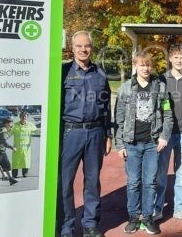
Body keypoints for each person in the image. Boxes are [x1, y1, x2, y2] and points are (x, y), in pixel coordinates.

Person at [58, 30, 113, 237]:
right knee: (65, 183)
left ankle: (90, 224)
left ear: (92, 48)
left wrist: (109, 135)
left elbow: (107, 105)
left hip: (96, 132)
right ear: (72, 48)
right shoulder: (62, 72)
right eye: (79, 46)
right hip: (71, 133)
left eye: (87, 45)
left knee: (92, 181)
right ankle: (67, 226)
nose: (83, 49)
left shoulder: (100, 74)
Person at [114, 51, 172, 235]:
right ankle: (133, 217)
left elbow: (168, 114)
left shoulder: (160, 87)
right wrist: (120, 144)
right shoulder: (125, 88)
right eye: (141, 65)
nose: (145, 68)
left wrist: (164, 136)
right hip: (131, 143)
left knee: (150, 182)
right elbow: (119, 117)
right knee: (133, 183)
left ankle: (147, 217)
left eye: (148, 65)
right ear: (135, 66)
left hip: (151, 144)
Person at [156, 44, 182, 222]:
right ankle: (156, 209)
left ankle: (180, 208)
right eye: (176, 57)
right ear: (170, 59)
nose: (179, 60)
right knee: (160, 172)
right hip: (165, 135)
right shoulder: (161, 80)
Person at [11, 111, 37, 178]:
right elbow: (8, 133)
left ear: (27, 117)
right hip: (17, 148)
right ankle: (14, 173)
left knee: (25, 161)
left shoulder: (31, 125)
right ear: (20, 117)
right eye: (22, 116)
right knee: (15, 161)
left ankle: (25, 173)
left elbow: (37, 131)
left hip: (26, 148)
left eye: (25, 116)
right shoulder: (15, 125)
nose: (24, 117)